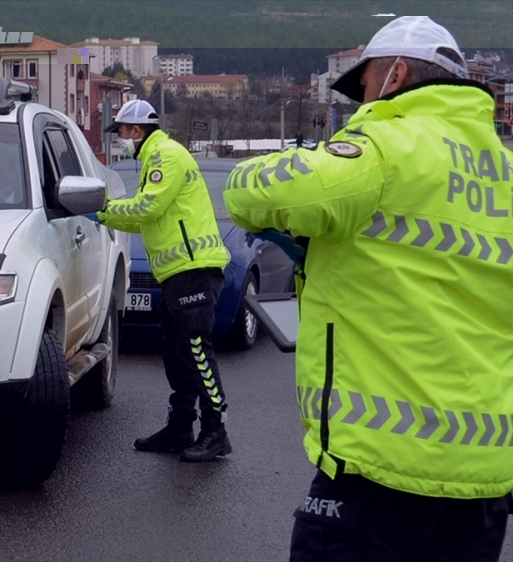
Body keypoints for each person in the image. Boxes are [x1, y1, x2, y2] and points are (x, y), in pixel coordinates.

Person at [222, 16, 513, 561]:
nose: (361, 102)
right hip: (486, 482)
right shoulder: (504, 170)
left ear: (396, 74)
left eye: (365, 85)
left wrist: (251, 181)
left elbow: (254, 196)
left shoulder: (385, 143)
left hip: (380, 473)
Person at [86, 99, 233, 462]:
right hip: (176, 272)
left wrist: (100, 209)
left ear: (136, 131)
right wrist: (104, 218)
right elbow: (143, 220)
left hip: (194, 269)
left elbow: (146, 207)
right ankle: (181, 426)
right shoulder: (154, 157)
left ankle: (216, 432)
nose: (118, 138)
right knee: (176, 352)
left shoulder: (166, 155)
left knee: (197, 351)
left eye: (119, 132)